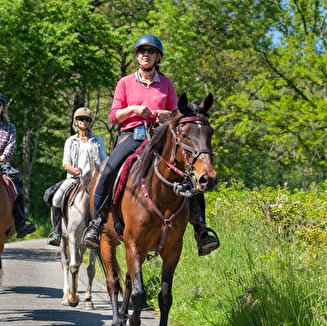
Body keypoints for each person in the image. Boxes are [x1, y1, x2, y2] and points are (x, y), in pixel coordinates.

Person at [82, 34, 219, 255]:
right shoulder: (125, 82)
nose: (145, 54)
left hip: (160, 137)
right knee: (108, 169)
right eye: (141, 51)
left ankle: (201, 230)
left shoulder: (166, 85)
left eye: (150, 51)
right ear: (137, 55)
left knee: (187, 173)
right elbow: (114, 116)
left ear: (158, 57)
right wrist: (133, 109)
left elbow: (178, 117)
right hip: (132, 135)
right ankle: (96, 223)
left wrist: (166, 115)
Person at [0, 92, 36, 238]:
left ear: (3, 107)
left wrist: (4, 157)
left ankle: (21, 223)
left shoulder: (10, 127)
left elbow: (11, 145)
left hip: (2, 165)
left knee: (17, 186)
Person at [48, 107, 107, 246]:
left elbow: (104, 160)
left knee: (109, 198)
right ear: (76, 121)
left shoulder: (97, 140)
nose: (84, 122)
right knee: (56, 198)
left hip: (94, 180)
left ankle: (108, 231)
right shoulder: (70, 141)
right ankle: (56, 233)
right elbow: (65, 163)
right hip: (74, 179)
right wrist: (74, 170)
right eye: (81, 119)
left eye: (86, 119)